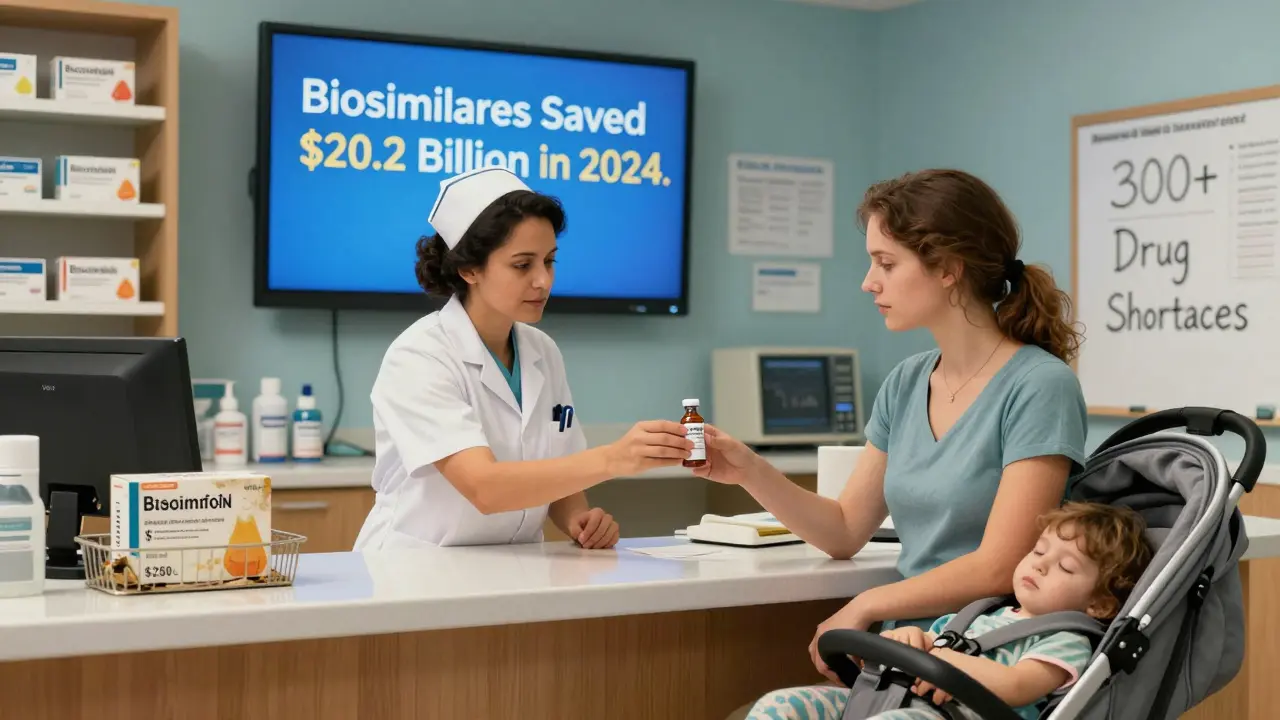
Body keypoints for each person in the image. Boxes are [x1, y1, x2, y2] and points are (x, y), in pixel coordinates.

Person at [693, 169, 1090, 693]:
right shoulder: (906, 382)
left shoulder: (1041, 386)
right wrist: (749, 468)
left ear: (948, 269)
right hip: (905, 651)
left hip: (989, 653)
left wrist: (866, 604)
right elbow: (843, 530)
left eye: (885, 263)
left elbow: (999, 566)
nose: (868, 281)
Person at [353, 167, 692, 550]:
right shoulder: (420, 355)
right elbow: (485, 488)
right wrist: (614, 458)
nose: (543, 280)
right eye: (522, 265)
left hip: (511, 566)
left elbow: (559, 473)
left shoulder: (541, 350)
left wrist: (578, 520)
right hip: (414, 570)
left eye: (549, 261)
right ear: (469, 269)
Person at [745, 502, 1153, 720]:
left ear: (1098, 603)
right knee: (778, 707)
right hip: (895, 702)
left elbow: (1015, 686)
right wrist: (909, 640)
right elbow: (925, 647)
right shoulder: (977, 615)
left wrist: (940, 659)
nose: (1041, 564)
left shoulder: (1066, 640)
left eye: (1065, 566)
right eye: (1039, 551)